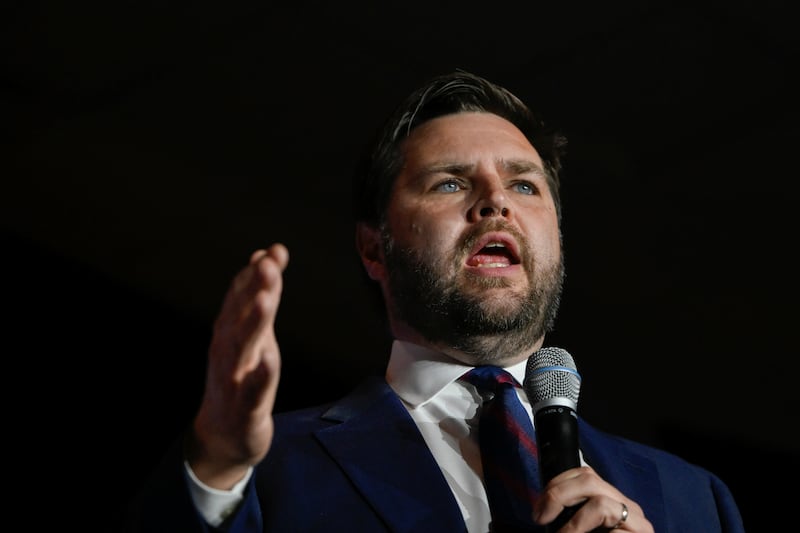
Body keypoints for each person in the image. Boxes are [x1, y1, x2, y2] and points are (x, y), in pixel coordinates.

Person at [123, 70, 745, 532]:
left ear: (557, 236)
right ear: (375, 249)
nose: (496, 202)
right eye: (450, 182)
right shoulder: (262, 472)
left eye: (523, 184)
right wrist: (217, 469)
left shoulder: (694, 500)